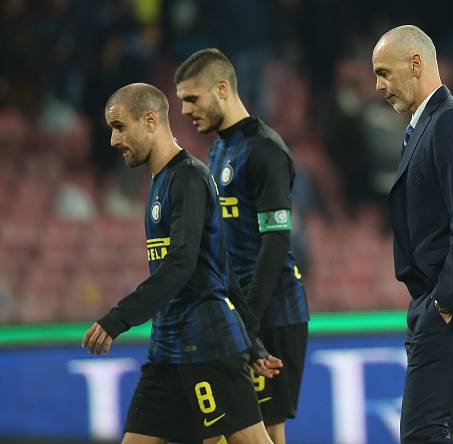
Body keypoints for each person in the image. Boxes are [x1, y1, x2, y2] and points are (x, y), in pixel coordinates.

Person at [81, 83, 279, 444]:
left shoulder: (188, 177)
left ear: (150, 121)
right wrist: (254, 343)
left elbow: (182, 263)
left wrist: (118, 318)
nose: (113, 140)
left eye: (120, 127)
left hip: (207, 344)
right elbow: (220, 268)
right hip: (167, 348)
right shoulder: (161, 181)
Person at [371, 26, 453, 443]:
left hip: (450, 307)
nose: (378, 86)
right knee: (435, 432)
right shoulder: (426, 125)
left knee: (424, 434)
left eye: (383, 72)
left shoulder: (450, 122)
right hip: (434, 305)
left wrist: (445, 303)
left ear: (415, 64)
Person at [175, 49, 310, 444]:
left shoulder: (265, 150)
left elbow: (276, 240)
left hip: (272, 312)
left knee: (265, 431)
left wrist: (247, 322)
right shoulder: (220, 150)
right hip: (238, 311)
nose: (184, 110)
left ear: (222, 89)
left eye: (192, 98)